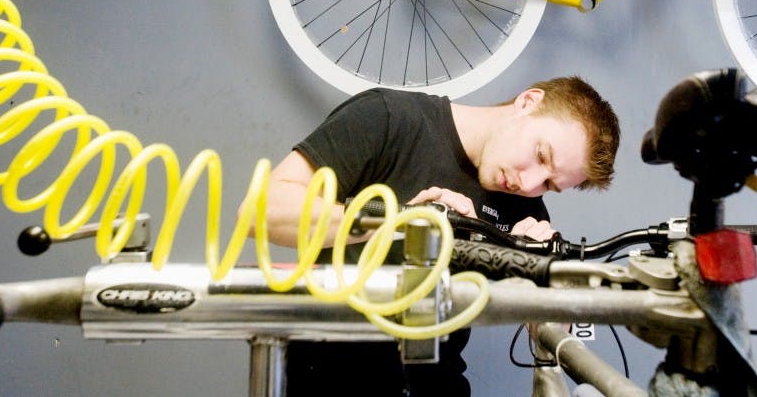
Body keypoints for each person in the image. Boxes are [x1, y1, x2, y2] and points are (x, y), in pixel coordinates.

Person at [250, 75, 620, 397]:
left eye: (550, 185)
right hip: (331, 374)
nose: (528, 183)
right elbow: (261, 211)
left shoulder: (527, 209)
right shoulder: (390, 118)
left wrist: (546, 285)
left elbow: (546, 341)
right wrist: (398, 220)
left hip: (435, 384)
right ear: (528, 102)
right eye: (541, 155)